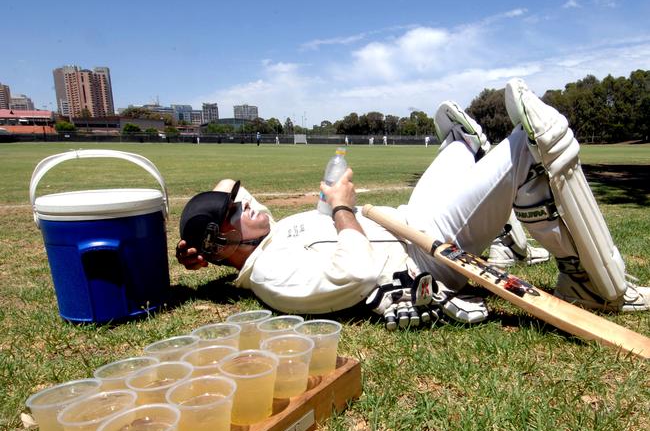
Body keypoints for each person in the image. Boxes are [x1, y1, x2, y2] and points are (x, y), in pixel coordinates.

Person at [177, 78, 650, 328]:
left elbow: (222, 195)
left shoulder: (265, 236)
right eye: (236, 213)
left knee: (464, 142)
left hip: (408, 219)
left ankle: (470, 150)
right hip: (425, 249)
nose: (249, 206)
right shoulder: (272, 277)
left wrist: (201, 249)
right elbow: (357, 274)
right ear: (226, 237)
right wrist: (342, 208)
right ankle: (599, 285)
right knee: (535, 140)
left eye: (240, 201)